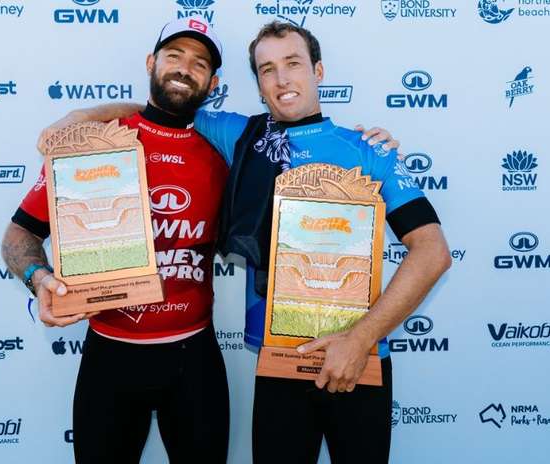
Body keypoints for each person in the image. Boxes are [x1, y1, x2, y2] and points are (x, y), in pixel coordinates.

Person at [35, 22, 414, 464]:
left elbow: (433, 252)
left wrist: (360, 338)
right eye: (267, 69)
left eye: (293, 64)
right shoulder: (240, 135)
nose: (282, 79)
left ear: (319, 70)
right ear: (257, 84)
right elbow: (161, 106)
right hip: (279, 362)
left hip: (360, 361)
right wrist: (81, 116)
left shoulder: (369, 150)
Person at [1, 18, 232, 464]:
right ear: (151, 62)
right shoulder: (96, 142)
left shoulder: (223, 149)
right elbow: (20, 232)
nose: (185, 69)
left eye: (199, 63)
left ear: (213, 81)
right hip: (110, 353)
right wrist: (38, 276)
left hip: (194, 358)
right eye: (174, 56)